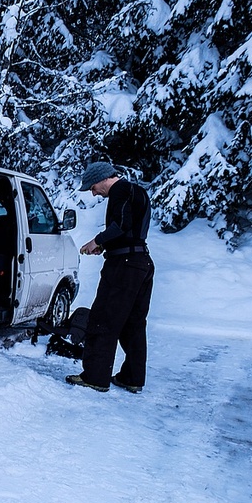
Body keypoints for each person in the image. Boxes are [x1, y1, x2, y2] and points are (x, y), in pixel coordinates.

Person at [65, 161, 155, 393]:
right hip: (141, 262)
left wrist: (98, 240)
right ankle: (132, 378)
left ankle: (95, 377)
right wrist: (106, 247)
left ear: (103, 178)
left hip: (124, 267)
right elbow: (131, 230)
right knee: (133, 323)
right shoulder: (138, 191)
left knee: (103, 319)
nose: (94, 193)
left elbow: (122, 224)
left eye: (93, 187)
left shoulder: (120, 190)